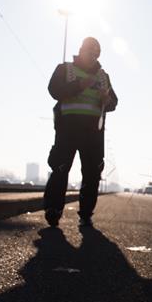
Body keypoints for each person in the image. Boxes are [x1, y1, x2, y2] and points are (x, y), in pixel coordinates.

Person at [43, 37, 117, 227]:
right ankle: (53, 210)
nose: (91, 56)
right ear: (81, 50)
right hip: (68, 128)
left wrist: (106, 99)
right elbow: (54, 90)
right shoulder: (65, 69)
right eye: (88, 51)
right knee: (60, 168)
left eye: (95, 53)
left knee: (92, 173)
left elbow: (114, 103)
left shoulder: (103, 76)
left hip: (93, 132)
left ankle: (86, 214)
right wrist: (78, 85)